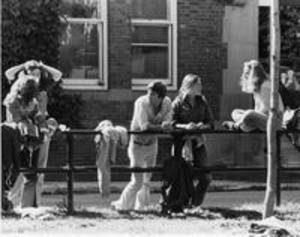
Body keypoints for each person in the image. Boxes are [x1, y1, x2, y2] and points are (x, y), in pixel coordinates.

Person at [5, 60, 61, 208]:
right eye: (32, 74)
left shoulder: (41, 91)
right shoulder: (15, 94)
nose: (36, 78)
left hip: (38, 134)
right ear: (25, 75)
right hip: (19, 135)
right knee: (18, 170)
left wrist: (43, 66)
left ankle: (33, 204)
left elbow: (58, 75)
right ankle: (10, 202)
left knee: (37, 171)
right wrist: (23, 66)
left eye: (38, 75)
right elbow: (8, 73)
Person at [111, 81, 173, 211]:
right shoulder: (141, 102)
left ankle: (142, 207)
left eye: (153, 94)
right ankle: (121, 205)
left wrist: (165, 125)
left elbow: (169, 122)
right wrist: (162, 127)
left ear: (160, 97)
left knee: (147, 179)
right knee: (137, 180)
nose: (149, 96)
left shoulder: (167, 103)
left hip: (152, 144)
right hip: (137, 145)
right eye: (148, 93)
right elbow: (144, 126)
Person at [171, 73, 214, 207]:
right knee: (184, 176)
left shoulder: (202, 101)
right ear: (190, 85)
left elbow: (211, 122)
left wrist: (203, 126)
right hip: (182, 143)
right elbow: (171, 123)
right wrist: (186, 126)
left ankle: (194, 204)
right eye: (198, 84)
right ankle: (180, 204)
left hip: (198, 142)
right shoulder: (178, 102)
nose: (201, 87)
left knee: (206, 177)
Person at [223, 60, 284, 132]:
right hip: (264, 120)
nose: (244, 75)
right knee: (235, 112)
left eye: (247, 73)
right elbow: (257, 109)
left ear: (253, 74)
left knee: (249, 113)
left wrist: (251, 115)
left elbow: (266, 110)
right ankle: (246, 126)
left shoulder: (265, 86)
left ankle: (237, 126)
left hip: (274, 121)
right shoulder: (257, 87)